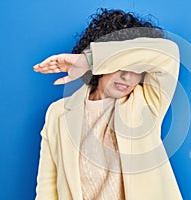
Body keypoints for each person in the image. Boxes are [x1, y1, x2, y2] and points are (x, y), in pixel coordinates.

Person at [33, 8, 182, 200]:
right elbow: (46, 190)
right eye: (118, 65)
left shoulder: (147, 102)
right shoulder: (58, 113)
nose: (127, 76)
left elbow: (168, 53)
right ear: (101, 68)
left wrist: (89, 59)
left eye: (136, 68)